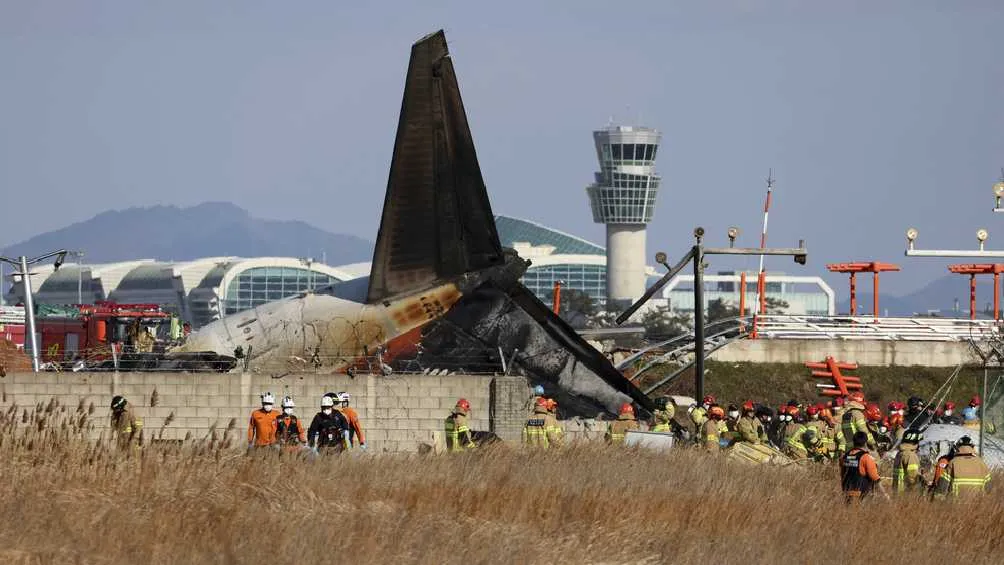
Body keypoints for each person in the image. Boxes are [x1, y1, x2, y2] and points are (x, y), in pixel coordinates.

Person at [840, 431, 882, 503]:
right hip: (861, 493)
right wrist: (884, 492)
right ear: (865, 443)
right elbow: (874, 477)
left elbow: (843, 473)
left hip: (846, 491)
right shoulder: (866, 457)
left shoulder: (845, 456)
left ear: (853, 442)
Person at [892, 428, 926, 494]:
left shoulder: (900, 453)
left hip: (897, 491)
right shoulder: (910, 455)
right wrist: (922, 480)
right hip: (907, 493)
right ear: (915, 442)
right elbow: (913, 477)